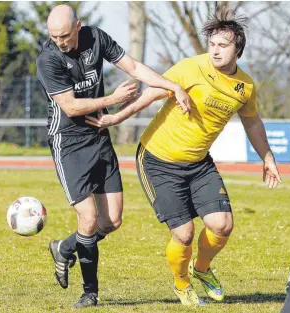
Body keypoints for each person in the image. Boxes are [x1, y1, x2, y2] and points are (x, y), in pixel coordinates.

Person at [85, 7, 282, 306]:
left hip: (199, 163)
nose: (215, 51)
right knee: (185, 234)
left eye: (223, 45)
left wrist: (267, 156)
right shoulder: (191, 68)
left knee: (222, 225)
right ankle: (181, 284)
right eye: (212, 44)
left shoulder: (245, 87)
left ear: (237, 49)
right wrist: (116, 118)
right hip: (157, 160)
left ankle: (200, 269)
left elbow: (252, 121)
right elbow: (151, 93)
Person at [36, 4, 190, 309]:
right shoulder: (48, 59)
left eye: (65, 36)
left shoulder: (96, 38)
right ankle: (90, 292)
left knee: (112, 220)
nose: (60, 42)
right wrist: (113, 100)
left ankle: (65, 247)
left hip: (99, 136)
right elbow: (70, 107)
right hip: (68, 142)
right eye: (54, 37)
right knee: (89, 219)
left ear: (78, 27)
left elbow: (133, 67)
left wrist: (171, 85)